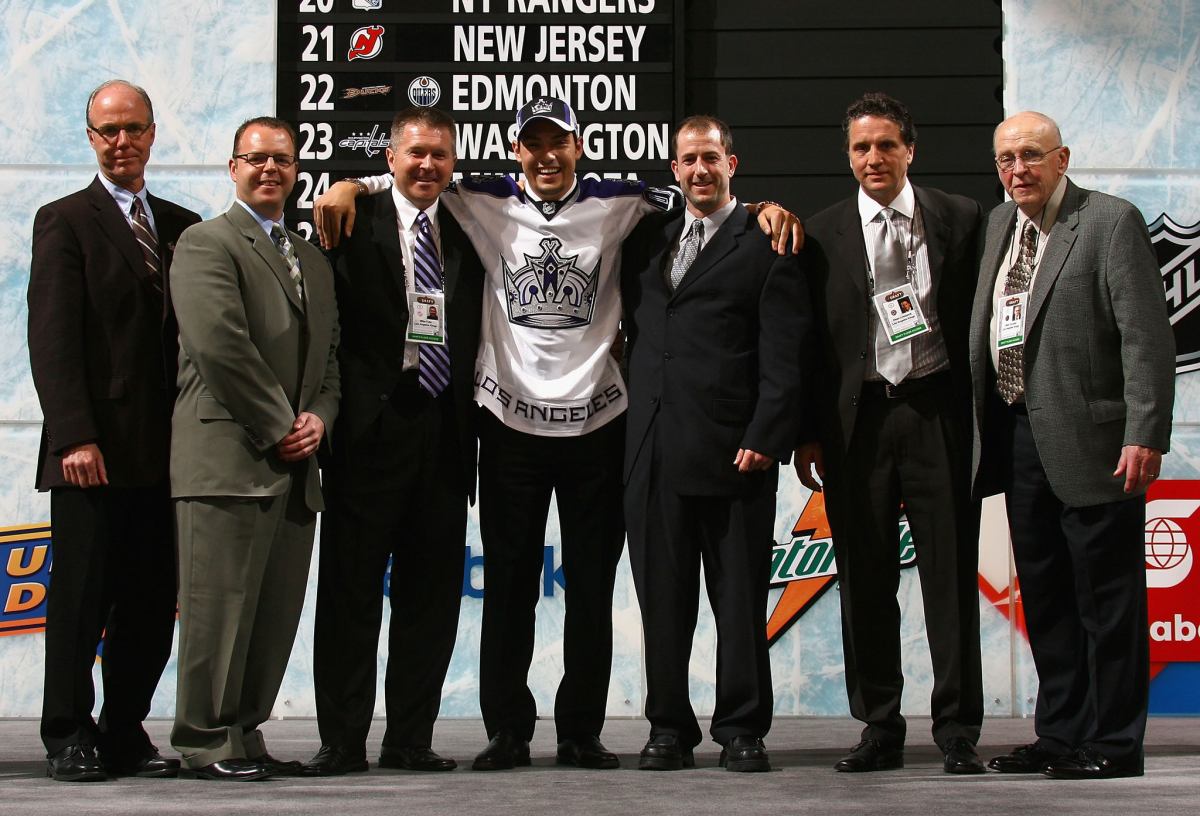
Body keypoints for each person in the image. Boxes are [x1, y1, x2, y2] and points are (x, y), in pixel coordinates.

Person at [314, 97, 799, 771]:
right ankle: (508, 730)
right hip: (508, 424)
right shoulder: (477, 196)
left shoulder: (626, 198)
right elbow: (410, 182)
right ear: (515, 150)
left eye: (558, 142)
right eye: (532, 143)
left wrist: (762, 210)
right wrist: (348, 183)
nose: (545, 154)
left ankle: (579, 731)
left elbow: (706, 196)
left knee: (592, 592)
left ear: (580, 145)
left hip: (598, 425)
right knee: (509, 589)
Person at [971, 112, 1174, 780]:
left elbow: (1147, 336)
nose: (1017, 169)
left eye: (1030, 155)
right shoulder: (1000, 225)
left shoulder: (1110, 221)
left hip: (1097, 444)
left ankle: (1114, 744)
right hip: (1019, 437)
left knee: (1107, 603)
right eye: (1005, 159)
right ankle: (1060, 735)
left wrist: (1145, 431)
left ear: (1062, 159)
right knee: (1049, 598)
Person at [797, 93, 986, 774]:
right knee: (866, 581)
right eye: (859, 148)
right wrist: (809, 433)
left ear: (911, 148)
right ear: (848, 157)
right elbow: (810, 347)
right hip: (859, 424)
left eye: (884, 145)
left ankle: (959, 729)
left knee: (951, 577)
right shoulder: (819, 234)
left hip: (937, 413)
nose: (872, 158)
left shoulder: (962, 219)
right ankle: (879, 725)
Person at [620, 117, 808, 773]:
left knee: (738, 603)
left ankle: (741, 729)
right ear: (672, 170)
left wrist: (766, 436)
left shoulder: (765, 241)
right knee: (663, 607)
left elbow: (786, 357)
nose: (698, 169)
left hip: (736, 454)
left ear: (732, 163)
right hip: (652, 455)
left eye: (709, 157)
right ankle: (669, 727)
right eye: (686, 160)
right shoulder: (649, 240)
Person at [301, 108, 485, 777]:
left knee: (430, 600)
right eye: (416, 153)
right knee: (349, 596)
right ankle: (342, 741)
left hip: (444, 431)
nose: (428, 164)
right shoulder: (350, 219)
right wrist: (347, 186)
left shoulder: (472, 226)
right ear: (390, 158)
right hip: (368, 433)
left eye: (440, 154)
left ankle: (410, 739)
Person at [27, 79, 200, 783]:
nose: (122, 141)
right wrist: (73, 435)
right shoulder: (64, 220)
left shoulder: (186, 225)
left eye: (134, 128)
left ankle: (125, 728)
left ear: (153, 134)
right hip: (91, 453)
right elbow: (53, 338)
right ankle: (68, 732)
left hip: (170, 455)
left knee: (152, 607)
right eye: (109, 131)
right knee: (79, 605)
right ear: (91, 139)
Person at [168, 117, 340, 781]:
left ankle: (242, 730)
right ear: (232, 167)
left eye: (282, 160)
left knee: (269, 619)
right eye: (256, 158)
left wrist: (319, 420)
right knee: (217, 613)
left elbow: (329, 358)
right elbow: (220, 346)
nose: (270, 169)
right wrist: (280, 424)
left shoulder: (312, 259)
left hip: (295, 466)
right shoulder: (206, 243)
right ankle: (205, 740)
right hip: (226, 462)